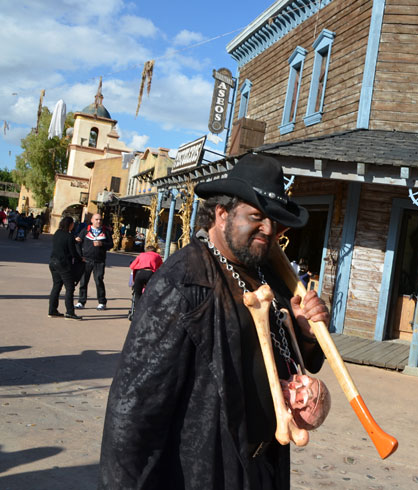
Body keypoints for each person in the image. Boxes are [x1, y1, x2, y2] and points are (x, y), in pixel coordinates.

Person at [99, 154, 329, 489]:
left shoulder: (268, 272)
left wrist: (305, 333)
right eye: (256, 217)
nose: (268, 229)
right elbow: (134, 409)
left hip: (265, 464)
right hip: (205, 469)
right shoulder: (184, 282)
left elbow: (297, 359)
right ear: (222, 214)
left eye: (274, 222)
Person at [75, 213, 113, 310]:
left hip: (99, 261)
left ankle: (102, 302)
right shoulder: (85, 231)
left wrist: (102, 244)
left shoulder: (106, 232)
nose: (98, 221)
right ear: (92, 220)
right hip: (86, 260)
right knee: (83, 282)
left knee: (99, 281)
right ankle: (81, 301)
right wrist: (80, 256)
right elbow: (78, 243)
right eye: (96, 219)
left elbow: (111, 245)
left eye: (100, 219)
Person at [48, 216, 83, 320]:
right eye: (72, 224)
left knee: (56, 286)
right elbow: (73, 253)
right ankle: (70, 312)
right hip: (63, 264)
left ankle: (52, 310)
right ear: (70, 225)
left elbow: (62, 244)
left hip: (53, 262)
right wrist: (81, 259)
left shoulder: (57, 233)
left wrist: (74, 241)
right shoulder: (69, 236)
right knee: (70, 287)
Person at [127, 245, 163, 320]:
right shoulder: (158, 256)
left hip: (140, 273)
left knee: (137, 293)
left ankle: (137, 311)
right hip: (150, 274)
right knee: (151, 293)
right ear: (155, 251)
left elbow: (132, 266)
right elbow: (161, 268)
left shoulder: (141, 255)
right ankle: (148, 311)